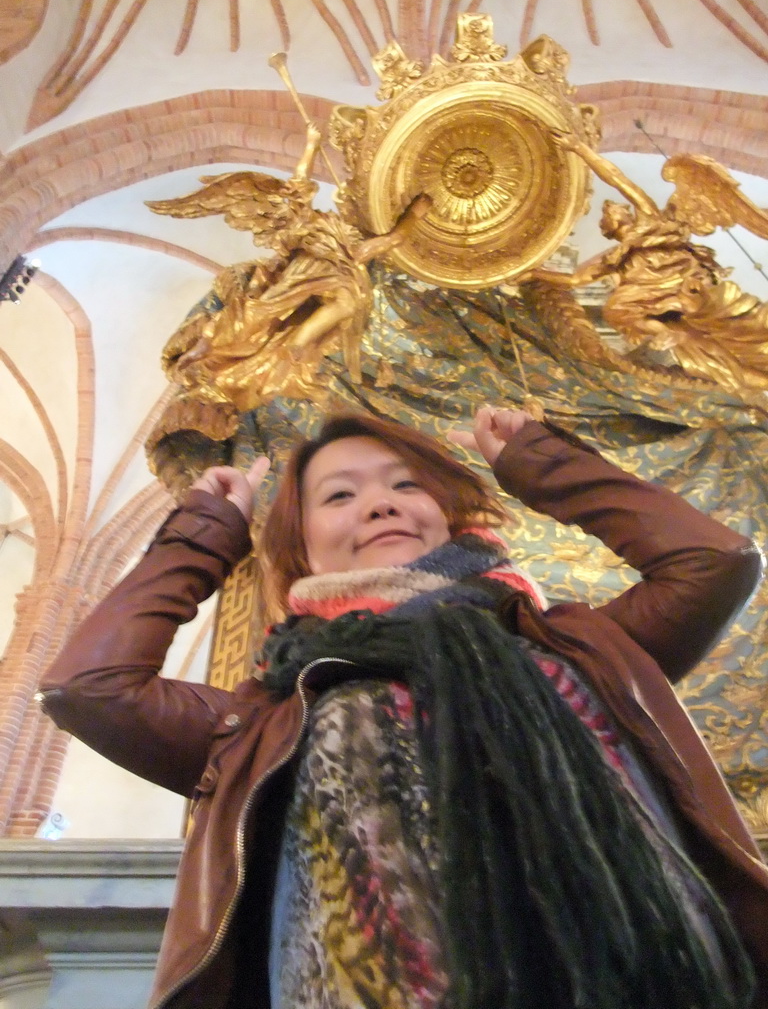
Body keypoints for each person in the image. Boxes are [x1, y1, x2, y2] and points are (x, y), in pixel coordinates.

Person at [37, 407, 768, 1009]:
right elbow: (91, 687)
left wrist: (543, 462)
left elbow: (712, 562)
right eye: (340, 496)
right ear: (303, 554)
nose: (380, 502)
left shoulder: (578, 647)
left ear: (446, 515)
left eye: (405, 485)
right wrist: (206, 532)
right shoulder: (269, 716)